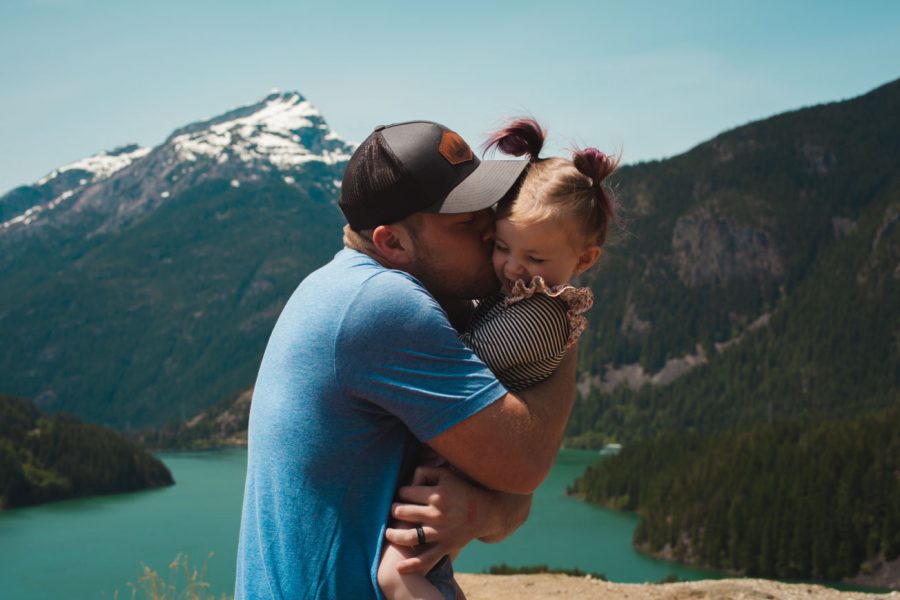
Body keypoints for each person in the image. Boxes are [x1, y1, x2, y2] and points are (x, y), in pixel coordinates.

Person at [235, 120, 579, 600]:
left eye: (487, 207)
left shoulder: (341, 284)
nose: (491, 229)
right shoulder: (382, 306)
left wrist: (482, 511)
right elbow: (525, 463)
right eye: (464, 222)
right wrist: (560, 310)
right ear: (392, 243)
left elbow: (508, 490)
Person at [376, 118, 620, 600]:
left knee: (399, 575)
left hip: (457, 466)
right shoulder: (521, 296)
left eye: (535, 258)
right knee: (421, 570)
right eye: (502, 247)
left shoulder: (538, 315)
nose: (512, 266)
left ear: (585, 260)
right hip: (459, 456)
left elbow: (459, 361)